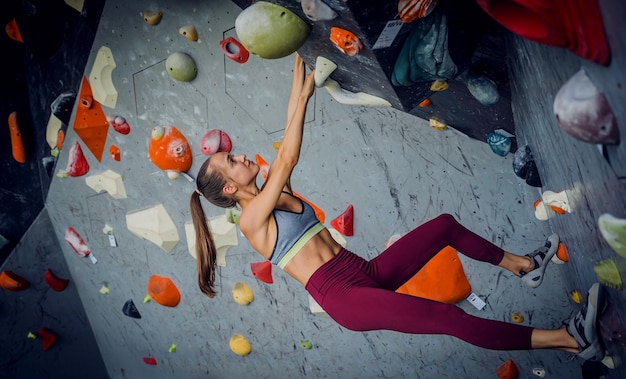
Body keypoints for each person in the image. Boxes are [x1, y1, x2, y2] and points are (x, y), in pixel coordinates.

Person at [189, 54, 606, 362]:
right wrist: (301, 98)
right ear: (228, 186)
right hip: (344, 296)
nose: (240, 157)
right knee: (448, 319)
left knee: (444, 226)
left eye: (234, 154)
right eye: (232, 162)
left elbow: (283, 163)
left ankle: (522, 266)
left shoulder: (271, 195)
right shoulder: (250, 220)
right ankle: (570, 340)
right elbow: (286, 160)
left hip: (362, 271)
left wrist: (298, 96)